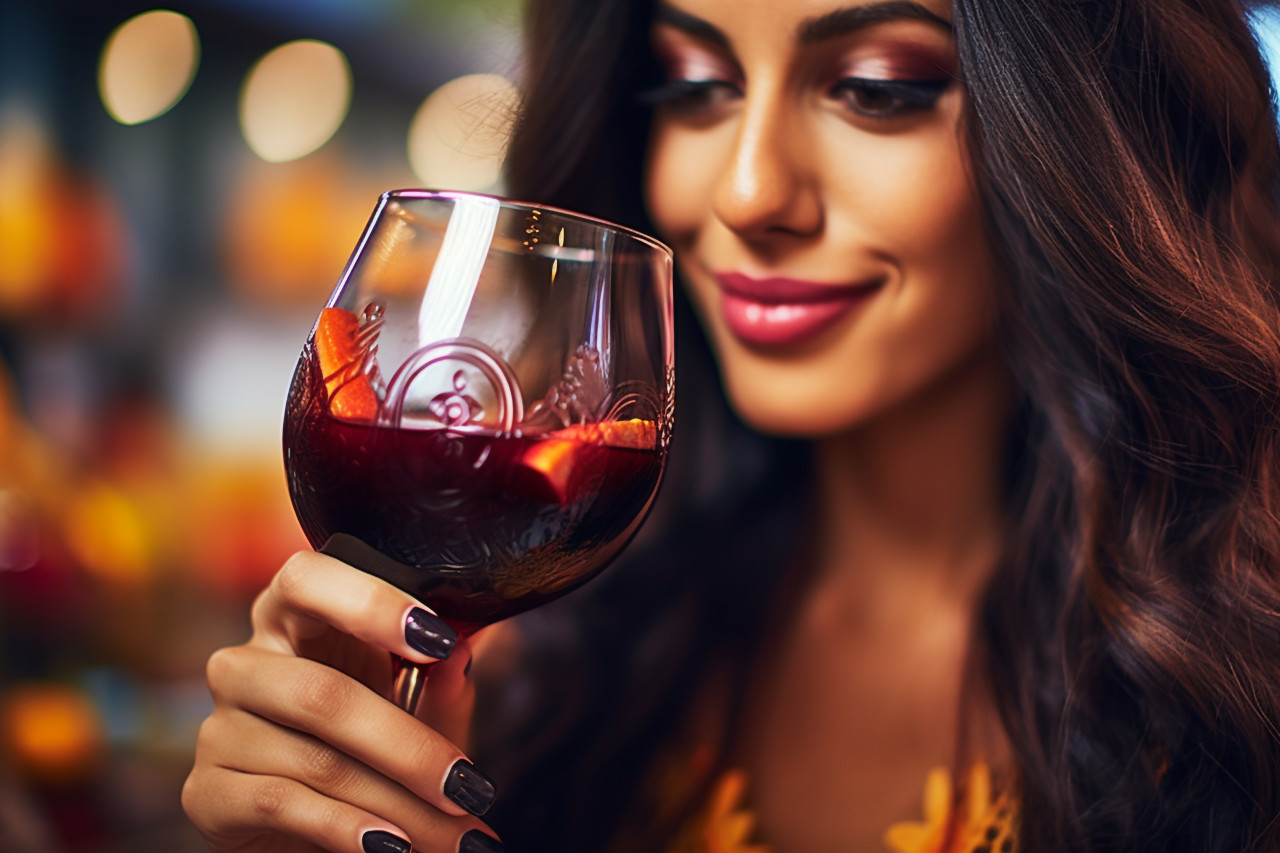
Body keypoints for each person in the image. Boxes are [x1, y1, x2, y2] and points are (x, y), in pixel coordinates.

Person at [181, 0, 1280, 850]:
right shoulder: (542, 666)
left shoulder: (1239, 683)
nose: (747, 192)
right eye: (692, 86)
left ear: (1083, 128)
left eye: (874, 87)